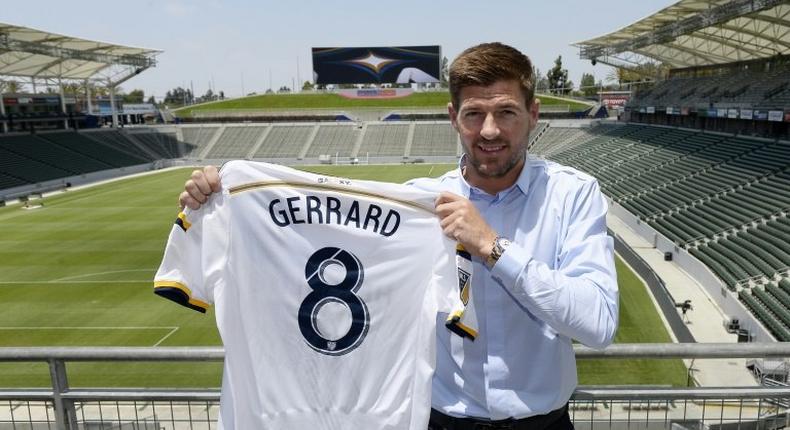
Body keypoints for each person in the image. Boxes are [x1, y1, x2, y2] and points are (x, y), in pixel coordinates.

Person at [179, 42, 618, 430]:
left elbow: (597, 323)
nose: (489, 130)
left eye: (506, 112)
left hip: (543, 423)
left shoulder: (573, 195)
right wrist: (224, 199)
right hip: (442, 420)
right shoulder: (417, 206)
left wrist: (493, 247)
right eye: (474, 114)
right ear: (453, 118)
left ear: (533, 113)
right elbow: (315, 233)